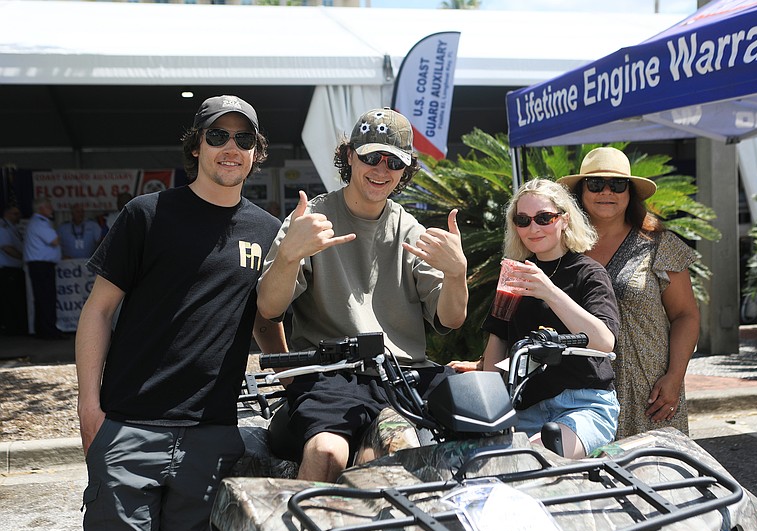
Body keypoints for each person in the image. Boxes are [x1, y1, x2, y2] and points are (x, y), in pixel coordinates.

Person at [76, 94, 287, 531]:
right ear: (196, 146)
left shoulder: (269, 231)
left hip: (211, 436)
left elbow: (265, 320)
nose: (230, 148)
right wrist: (89, 406)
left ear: (256, 151)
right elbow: (98, 311)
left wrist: (294, 387)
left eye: (243, 139)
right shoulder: (146, 215)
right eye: (217, 136)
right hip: (130, 425)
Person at [257, 107, 468, 483]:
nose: (381, 169)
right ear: (350, 156)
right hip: (333, 374)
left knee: (414, 444)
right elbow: (268, 309)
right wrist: (289, 256)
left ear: (405, 171)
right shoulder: (312, 221)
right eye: (371, 156)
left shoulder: (410, 229)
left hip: (401, 375)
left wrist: (457, 274)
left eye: (394, 161)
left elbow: (451, 319)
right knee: (326, 453)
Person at [469, 178, 620, 458]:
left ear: (564, 220)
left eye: (544, 217)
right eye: (522, 220)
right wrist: (489, 410)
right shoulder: (515, 276)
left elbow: (604, 342)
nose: (533, 228)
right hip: (525, 407)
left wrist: (549, 292)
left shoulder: (589, 273)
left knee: (538, 456)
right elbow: (497, 344)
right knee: (490, 460)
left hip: (583, 405)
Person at [558, 146, 700, 438]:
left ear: (630, 193)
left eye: (617, 185)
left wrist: (674, 377)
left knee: (658, 473)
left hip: (650, 391)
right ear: (581, 192)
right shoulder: (561, 248)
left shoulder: (660, 244)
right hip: (582, 391)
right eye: (595, 184)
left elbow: (686, 316)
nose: (606, 192)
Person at [23, 196, 62, 339]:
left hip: (39, 266)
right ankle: (49, 331)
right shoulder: (41, 223)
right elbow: (55, 240)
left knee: (42, 298)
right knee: (47, 298)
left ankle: (43, 330)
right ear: (41, 209)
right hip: (42, 266)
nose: (51, 209)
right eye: (48, 206)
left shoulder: (36, 222)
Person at [0, 204, 27, 335]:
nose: (18, 216)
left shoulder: (13, 227)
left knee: (17, 300)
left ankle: (16, 327)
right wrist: (23, 257)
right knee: (10, 301)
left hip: (15, 269)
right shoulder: (3, 228)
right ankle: (12, 329)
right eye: (15, 214)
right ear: (7, 214)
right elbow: (7, 248)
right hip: (7, 270)